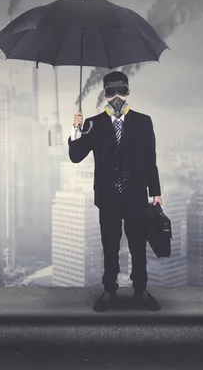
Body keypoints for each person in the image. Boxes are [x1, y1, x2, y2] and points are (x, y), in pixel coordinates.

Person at [68, 70, 162, 312]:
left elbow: (150, 160)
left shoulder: (144, 122)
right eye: (112, 92)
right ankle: (109, 291)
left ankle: (140, 291)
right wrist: (77, 130)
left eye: (121, 90)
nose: (117, 96)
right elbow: (76, 156)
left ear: (128, 92)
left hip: (136, 197)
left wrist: (156, 192)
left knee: (138, 246)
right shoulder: (93, 124)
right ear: (105, 95)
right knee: (109, 246)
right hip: (108, 198)